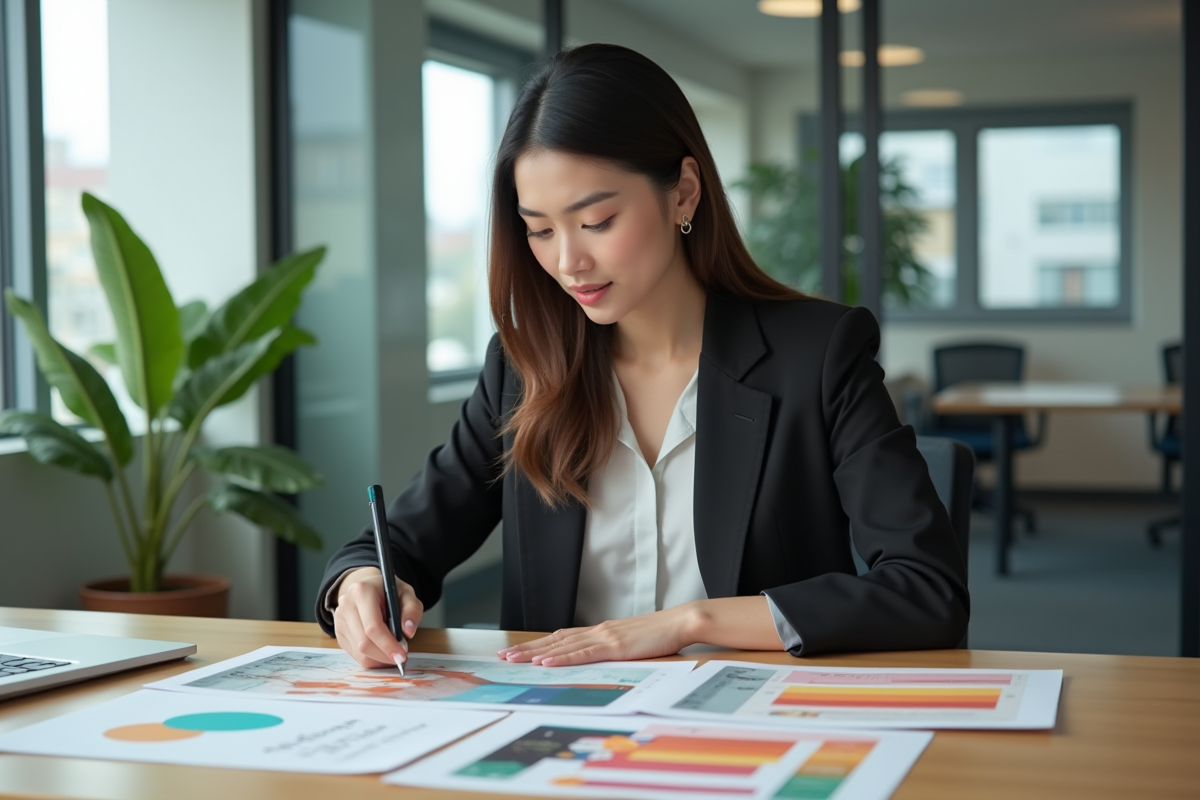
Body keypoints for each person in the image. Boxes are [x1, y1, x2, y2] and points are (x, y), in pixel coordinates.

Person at [316, 43, 968, 671]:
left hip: (748, 733)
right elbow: (397, 541)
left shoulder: (818, 356)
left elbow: (926, 590)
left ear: (683, 192)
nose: (568, 261)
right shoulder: (524, 368)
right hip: (559, 736)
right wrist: (364, 582)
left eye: (596, 221)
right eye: (540, 230)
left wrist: (691, 622)